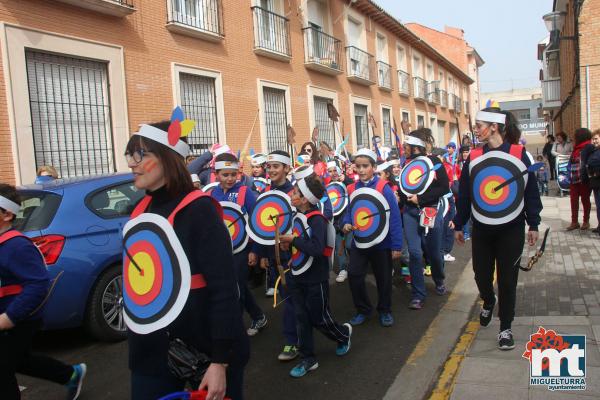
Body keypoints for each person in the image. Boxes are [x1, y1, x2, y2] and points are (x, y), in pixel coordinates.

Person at [124, 117, 248, 400]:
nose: (131, 163)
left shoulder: (199, 210)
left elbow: (225, 290)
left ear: (167, 158)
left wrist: (220, 361)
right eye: (129, 154)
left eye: (139, 155)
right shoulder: (138, 210)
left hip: (203, 350)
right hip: (150, 354)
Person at [454, 108, 542, 350]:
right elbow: (464, 195)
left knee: (507, 279)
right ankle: (488, 299)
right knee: (481, 275)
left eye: (479, 124)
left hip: (511, 228)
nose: (475, 129)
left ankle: (505, 328)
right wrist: (459, 223)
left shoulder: (518, 153)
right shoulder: (472, 157)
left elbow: (530, 192)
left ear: (494, 126)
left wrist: (533, 223)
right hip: (482, 227)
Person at [0, 183, 86, 400]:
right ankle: (70, 374)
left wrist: (9, 317)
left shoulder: (18, 246)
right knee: (19, 360)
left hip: (18, 319)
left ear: (7, 214)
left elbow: (38, 284)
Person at [279, 176, 352, 378]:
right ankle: (308, 358)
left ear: (305, 199)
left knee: (320, 318)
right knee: (301, 319)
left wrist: (294, 240)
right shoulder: (297, 217)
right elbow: (300, 243)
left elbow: (318, 249)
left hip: (315, 278)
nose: (291, 195)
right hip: (297, 276)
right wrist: (288, 244)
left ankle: (343, 335)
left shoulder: (317, 220)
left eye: (295, 193)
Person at [341, 149, 403, 327]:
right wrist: (345, 223)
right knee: (354, 275)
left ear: (374, 167)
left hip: (382, 243)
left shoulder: (383, 187)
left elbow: (394, 218)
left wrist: (396, 246)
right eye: (358, 166)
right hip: (360, 242)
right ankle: (363, 309)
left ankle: (385, 310)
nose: (361, 170)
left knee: (383, 278)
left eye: (365, 166)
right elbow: (349, 212)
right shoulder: (351, 188)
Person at [209, 153, 267, 337]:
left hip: (243, 249)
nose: (229, 178)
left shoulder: (245, 192)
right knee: (236, 285)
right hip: (220, 250)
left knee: (237, 288)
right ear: (216, 174)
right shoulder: (211, 194)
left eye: (233, 174)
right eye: (225, 174)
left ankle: (235, 330)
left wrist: (256, 250)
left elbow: (258, 221)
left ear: (239, 174)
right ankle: (258, 316)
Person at [398, 129, 450, 310]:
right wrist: (403, 198)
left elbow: (444, 187)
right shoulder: (406, 164)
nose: (403, 148)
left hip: (430, 212)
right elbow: (403, 189)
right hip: (410, 214)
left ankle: (439, 279)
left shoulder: (435, 162)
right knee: (414, 253)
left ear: (415, 147)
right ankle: (418, 293)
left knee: (434, 253)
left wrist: (421, 198)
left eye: (406, 146)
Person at [258, 151, 299, 362]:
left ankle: (292, 341)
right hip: (274, 257)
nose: (271, 170)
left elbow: (304, 224)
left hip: (292, 256)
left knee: (292, 299)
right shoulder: (265, 192)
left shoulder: (296, 192)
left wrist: (295, 250)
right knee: (288, 298)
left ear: (286, 168)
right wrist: (263, 254)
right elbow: (261, 227)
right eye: (269, 167)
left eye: (276, 166)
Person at [566, 128, 594, 231]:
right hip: (574, 179)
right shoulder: (576, 148)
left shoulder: (589, 147)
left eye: (575, 136)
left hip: (584, 179)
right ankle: (574, 222)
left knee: (585, 200)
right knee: (573, 201)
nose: (574, 138)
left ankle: (586, 221)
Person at [327, 161, 349, 283]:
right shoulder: (328, 187)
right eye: (330, 171)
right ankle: (343, 269)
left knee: (351, 245)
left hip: (349, 219)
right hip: (336, 222)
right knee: (339, 246)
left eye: (335, 170)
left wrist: (346, 180)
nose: (333, 173)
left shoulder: (347, 182)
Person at [586, 130, 600, 234]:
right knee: (598, 205)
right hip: (595, 182)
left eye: (596, 139)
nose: (594, 141)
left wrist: (596, 173)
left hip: (598, 180)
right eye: (593, 139)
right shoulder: (595, 150)